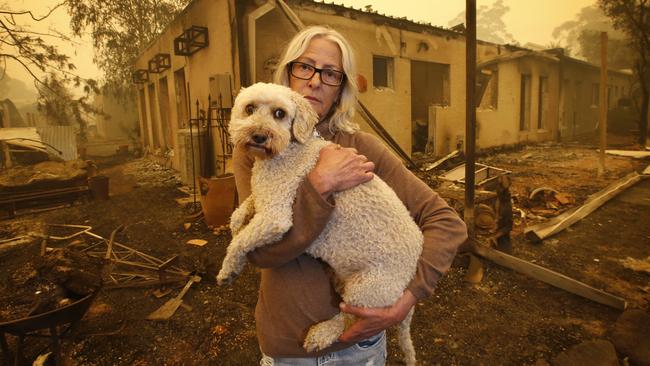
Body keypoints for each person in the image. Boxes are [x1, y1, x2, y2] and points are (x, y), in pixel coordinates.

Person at [232, 25, 468, 366]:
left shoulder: (361, 148)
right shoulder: (253, 148)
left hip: (361, 348)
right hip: (288, 348)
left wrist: (406, 300)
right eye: (305, 66)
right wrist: (321, 182)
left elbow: (446, 222)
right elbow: (262, 254)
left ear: (341, 87)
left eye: (331, 74)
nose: (315, 81)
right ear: (287, 73)